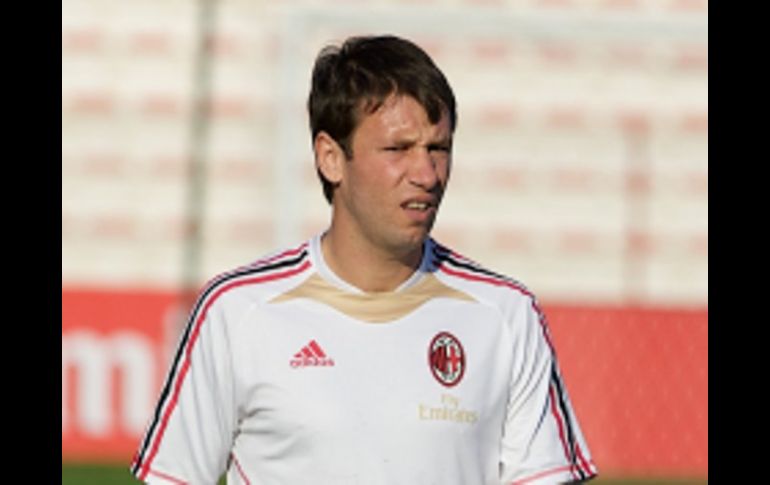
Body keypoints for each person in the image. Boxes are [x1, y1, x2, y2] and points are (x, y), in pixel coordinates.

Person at [131, 34, 598, 485]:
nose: (426, 174)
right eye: (398, 149)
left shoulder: (505, 314)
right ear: (331, 158)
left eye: (438, 148)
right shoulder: (237, 311)